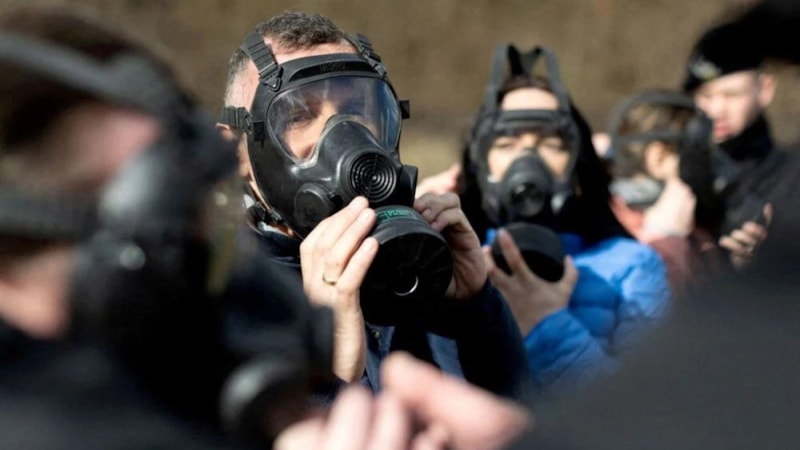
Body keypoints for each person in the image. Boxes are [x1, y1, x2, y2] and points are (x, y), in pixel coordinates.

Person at [217, 11, 529, 400]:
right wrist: (328, 372)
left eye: (356, 109)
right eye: (298, 115)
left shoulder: (418, 266)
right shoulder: (217, 307)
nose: (344, 134)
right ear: (235, 151)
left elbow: (521, 420)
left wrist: (475, 312)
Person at [463, 45, 670, 393]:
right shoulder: (454, 260)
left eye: (551, 144)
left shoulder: (634, 267)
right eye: (506, 144)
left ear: (576, 161)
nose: (528, 160)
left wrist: (545, 323)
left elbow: (650, 402)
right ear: (481, 162)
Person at [682, 21, 784, 268]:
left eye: (732, 95)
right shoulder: (674, 161)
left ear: (765, 89)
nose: (716, 109)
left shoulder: (786, 178)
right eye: (705, 95)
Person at [606, 89, 728, 296]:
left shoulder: (695, 222)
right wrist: (666, 238)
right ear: (659, 156)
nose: (708, 166)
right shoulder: (612, 228)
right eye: (697, 154)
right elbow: (642, 306)